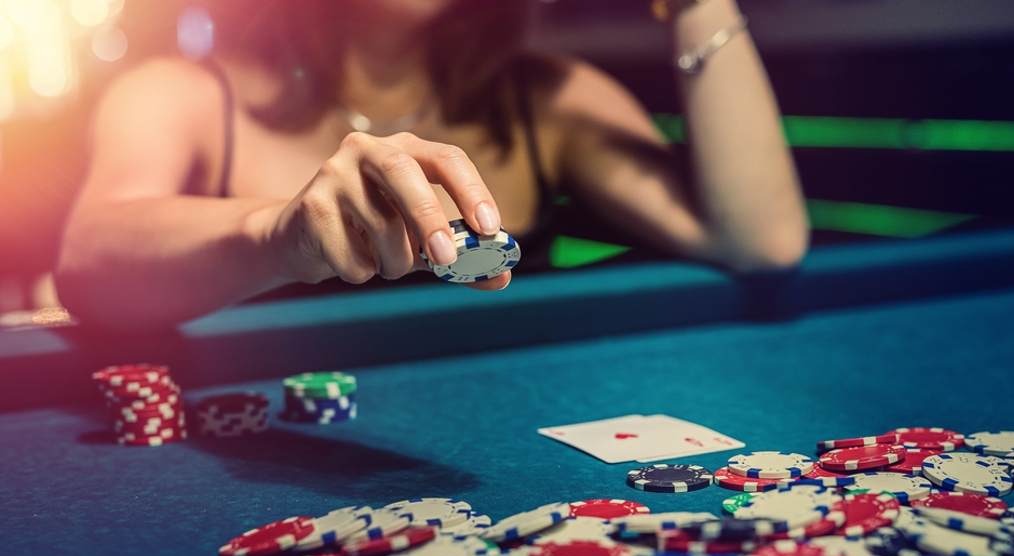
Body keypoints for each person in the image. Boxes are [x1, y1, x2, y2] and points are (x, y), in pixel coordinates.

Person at [56, 0, 807, 328]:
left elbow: (762, 238)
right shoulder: (177, 94)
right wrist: (279, 233)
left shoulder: (549, 97)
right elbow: (90, 261)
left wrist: (696, 0)